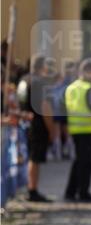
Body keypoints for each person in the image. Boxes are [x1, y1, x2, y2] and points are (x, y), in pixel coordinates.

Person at [64, 57, 91, 203]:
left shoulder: (71, 87)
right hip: (88, 129)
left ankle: (70, 191)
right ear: (90, 72)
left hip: (75, 129)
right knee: (87, 163)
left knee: (78, 162)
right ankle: (83, 192)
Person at [16, 55, 56, 202]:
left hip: (23, 122)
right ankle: (32, 189)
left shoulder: (23, 80)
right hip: (37, 124)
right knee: (35, 158)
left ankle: (30, 188)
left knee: (29, 157)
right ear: (43, 67)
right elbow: (46, 107)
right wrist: (52, 130)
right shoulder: (40, 82)